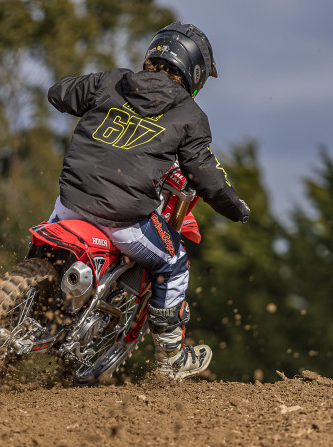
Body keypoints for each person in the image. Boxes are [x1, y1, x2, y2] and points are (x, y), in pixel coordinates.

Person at [45, 22, 250, 379]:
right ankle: (171, 358)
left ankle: (35, 306)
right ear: (194, 73)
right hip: (123, 218)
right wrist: (236, 207)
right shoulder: (189, 115)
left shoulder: (112, 81)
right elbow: (205, 174)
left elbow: (60, 93)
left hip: (69, 201)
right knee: (175, 261)